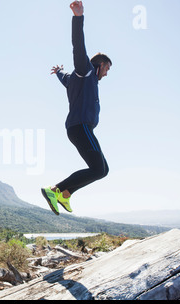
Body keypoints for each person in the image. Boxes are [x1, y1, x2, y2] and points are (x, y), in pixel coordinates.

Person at [41, 1, 112, 215]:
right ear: (99, 65)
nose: (106, 74)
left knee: (103, 170)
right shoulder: (86, 70)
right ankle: (56, 190)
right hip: (81, 127)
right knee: (98, 169)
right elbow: (78, 46)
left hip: (78, 129)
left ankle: (65, 194)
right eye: (107, 69)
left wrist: (58, 73)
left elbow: (65, 79)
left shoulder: (75, 78)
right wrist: (78, 18)